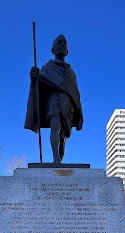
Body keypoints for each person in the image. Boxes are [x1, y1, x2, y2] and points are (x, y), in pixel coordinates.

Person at [25, 35, 83, 163]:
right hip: (53, 99)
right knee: (55, 125)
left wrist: (80, 115)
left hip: (68, 103)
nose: (61, 45)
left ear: (67, 51)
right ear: (53, 49)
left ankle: (59, 160)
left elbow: (76, 93)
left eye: (64, 43)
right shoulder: (47, 68)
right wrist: (35, 77)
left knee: (63, 134)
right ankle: (55, 159)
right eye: (59, 42)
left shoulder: (71, 73)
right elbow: (40, 84)